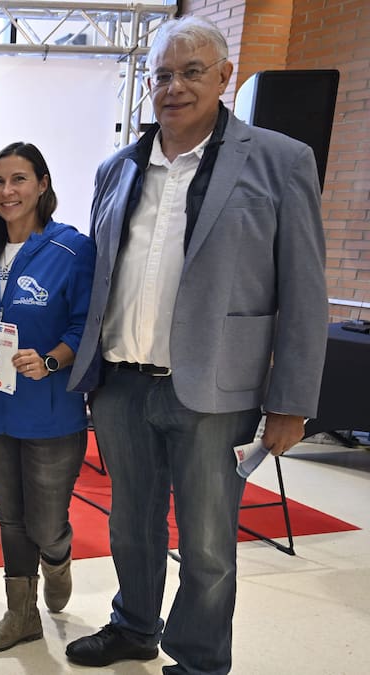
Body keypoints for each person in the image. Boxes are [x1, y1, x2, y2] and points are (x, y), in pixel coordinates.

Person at [64, 16, 327, 675]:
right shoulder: (116, 168)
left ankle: (202, 658)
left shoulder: (280, 160)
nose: (174, 87)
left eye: (191, 72)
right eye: (162, 75)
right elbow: (103, 273)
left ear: (224, 76)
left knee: (208, 542)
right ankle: (134, 625)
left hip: (216, 390)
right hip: (122, 381)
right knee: (130, 526)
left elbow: (305, 289)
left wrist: (291, 401)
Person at [0, 142, 95, 651]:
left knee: (45, 524)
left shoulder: (72, 250)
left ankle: (58, 554)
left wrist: (51, 358)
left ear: (43, 184)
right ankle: (21, 614)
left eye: (19, 179)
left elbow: (86, 326)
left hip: (51, 414)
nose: (7, 192)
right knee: (10, 518)